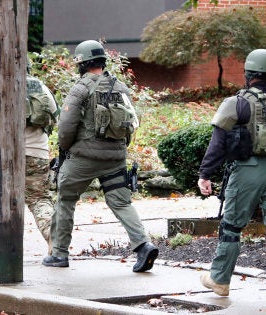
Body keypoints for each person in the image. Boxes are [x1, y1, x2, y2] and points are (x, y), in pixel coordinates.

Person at [43, 40, 159, 272]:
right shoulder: (120, 87)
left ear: (82, 63)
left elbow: (66, 126)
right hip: (115, 158)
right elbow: (131, 123)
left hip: (83, 159)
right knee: (121, 202)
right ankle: (143, 245)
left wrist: (65, 150)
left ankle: (59, 254)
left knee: (66, 199)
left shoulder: (80, 88)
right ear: (102, 62)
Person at [197, 49, 266, 300]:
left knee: (231, 226)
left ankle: (220, 280)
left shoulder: (237, 103)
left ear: (249, 73)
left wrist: (205, 174)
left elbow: (218, 143)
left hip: (247, 171)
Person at [0, 65, 59, 250]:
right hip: (37, 153)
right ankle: (55, 238)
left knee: (3, 198)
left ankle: (3, 247)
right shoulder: (42, 87)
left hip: (6, 155)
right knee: (39, 199)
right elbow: (55, 118)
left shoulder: (0, 85)